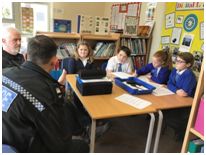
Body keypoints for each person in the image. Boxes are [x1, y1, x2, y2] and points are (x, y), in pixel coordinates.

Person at [2, 35, 89, 153]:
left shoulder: (4, 72)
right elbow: (58, 142)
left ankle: (81, 129)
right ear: (55, 61)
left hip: (6, 137)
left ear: (26, 56)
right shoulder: (47, 93)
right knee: (82, 146)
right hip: (22, 146)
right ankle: (83, 131)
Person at [164, 52, 197, 141]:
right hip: (174, 97)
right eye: (176, 60)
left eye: (180, 61)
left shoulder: (189, 75)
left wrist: (175, 89)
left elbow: (184, 92)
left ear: (188, 64)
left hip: (184, 104)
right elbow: (169, 83)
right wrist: (176, 90)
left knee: (170, 116)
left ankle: (180, 133)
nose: (177, 63)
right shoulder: (175, 70)